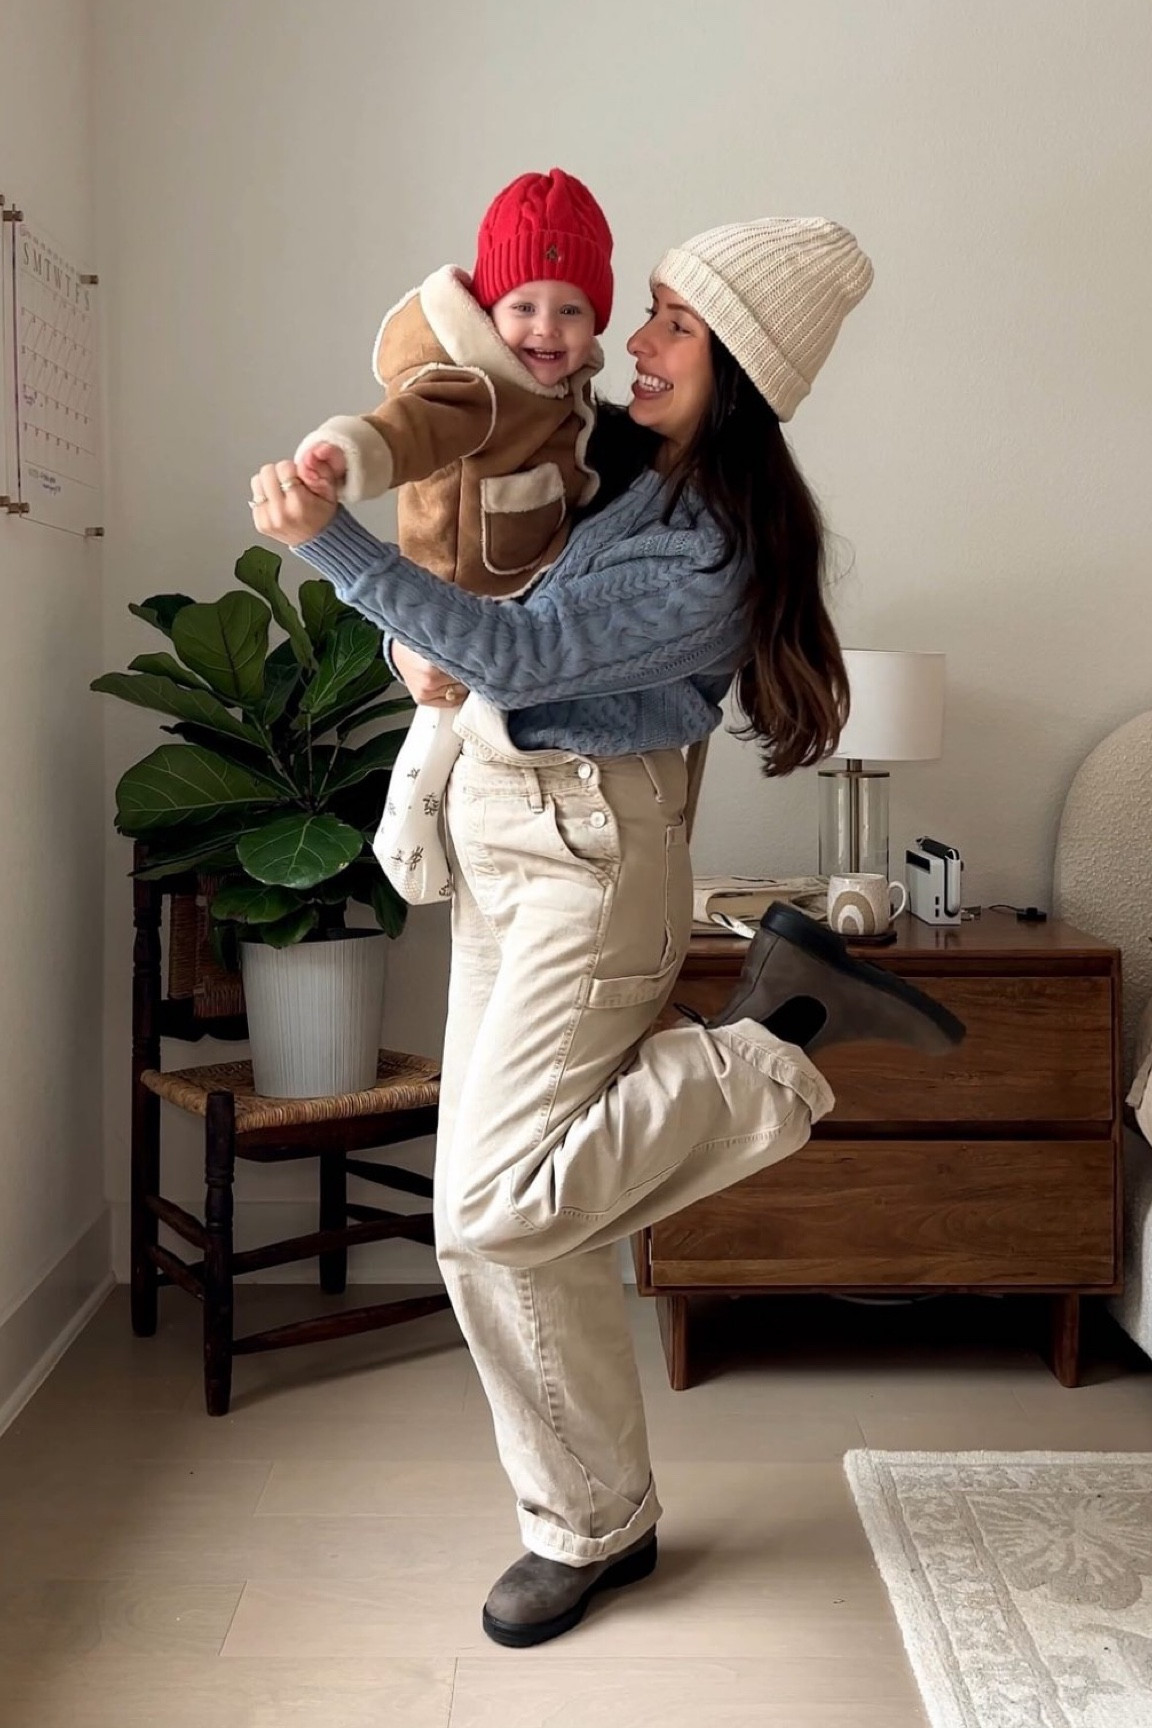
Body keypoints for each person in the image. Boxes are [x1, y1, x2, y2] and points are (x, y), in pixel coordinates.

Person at [249, 217, 965, 1650]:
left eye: (670, 326)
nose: (635, 341)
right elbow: (478, 544)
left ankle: (775, 1031)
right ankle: (593, 1523)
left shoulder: (708, 545)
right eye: (644, 314)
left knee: (492, 1212)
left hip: (590, 864)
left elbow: (508, 653)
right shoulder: (621, 480)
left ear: (739, 370)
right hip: (512, 844)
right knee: (512, 1240)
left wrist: (327, 546)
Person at [288, 167, 613, 904]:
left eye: (571, 309)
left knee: (466, 725)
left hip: (513, 601)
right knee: (439, 728)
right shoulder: (477, 386)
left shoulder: (566, 389)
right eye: (523, 305)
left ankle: (425, 835)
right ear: (487, 309)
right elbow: (411, 427)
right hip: (459, 594)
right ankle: (401, 837)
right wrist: (347, 454)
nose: (546, 329)